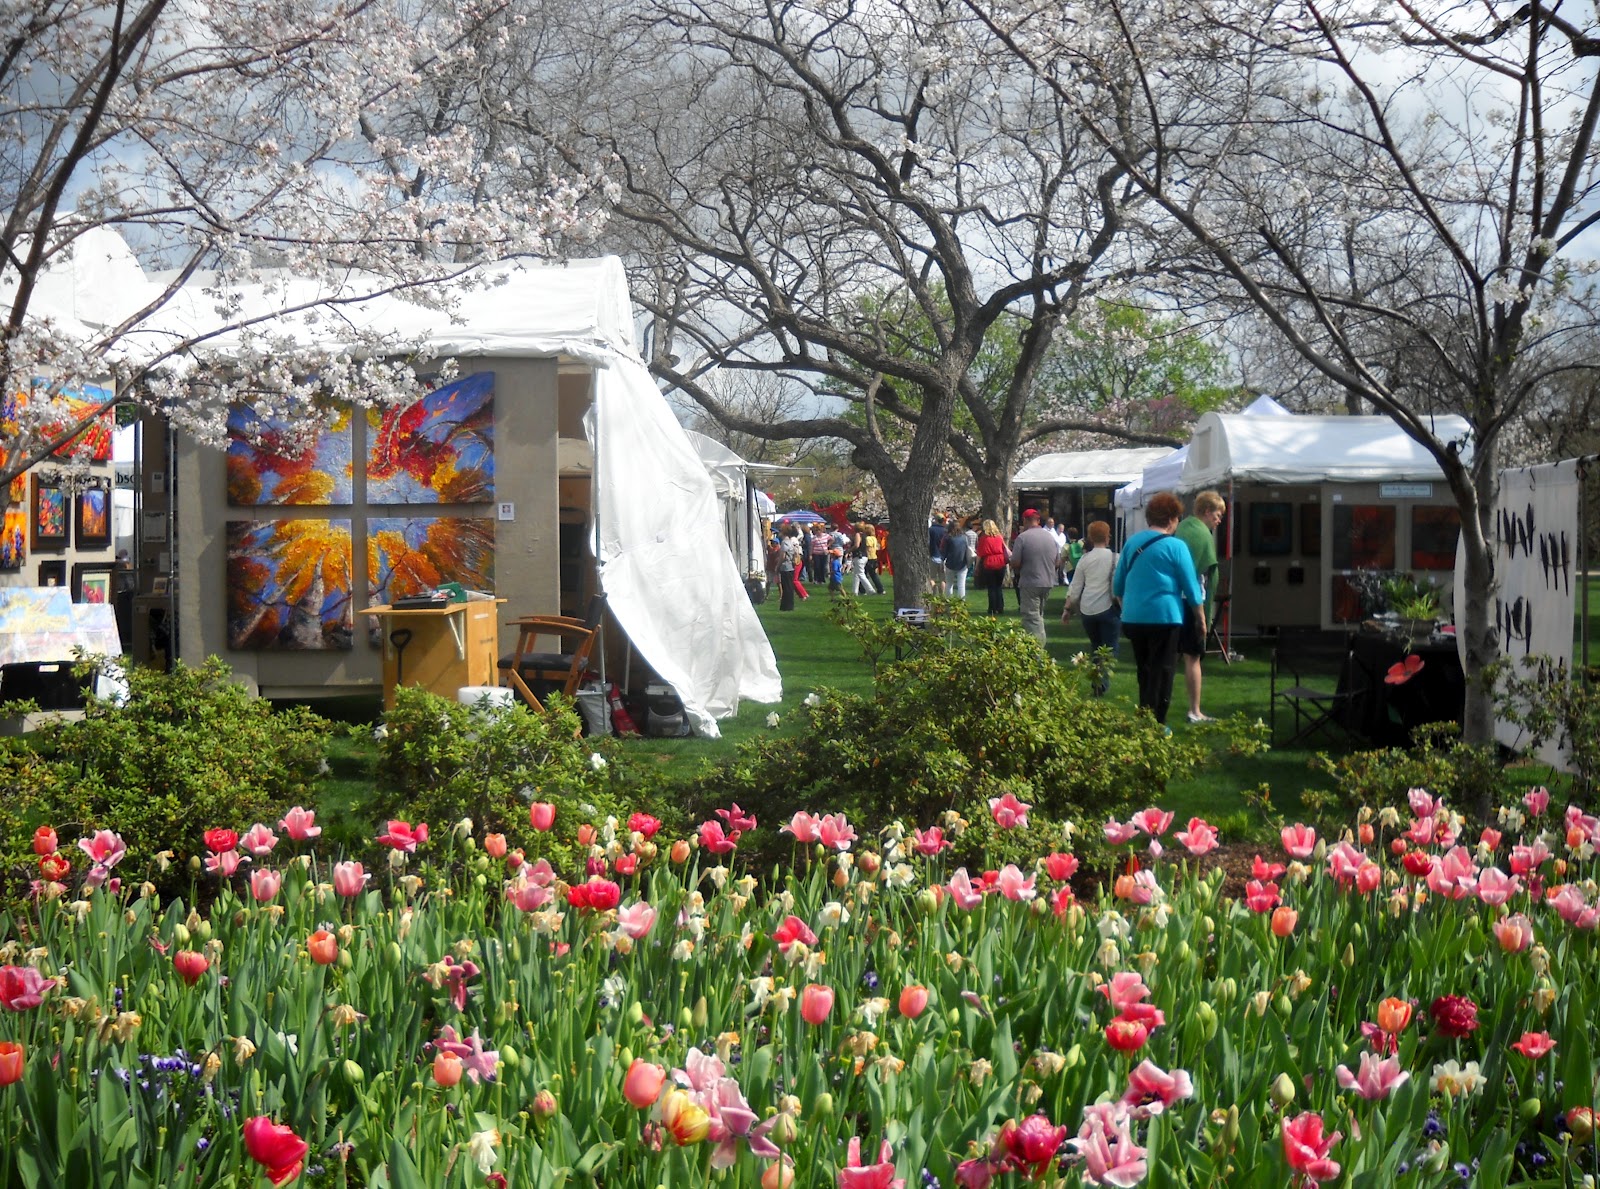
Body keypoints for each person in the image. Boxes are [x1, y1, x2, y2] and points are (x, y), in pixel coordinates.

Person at [1113, 492, 1205, 727]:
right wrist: (1200, 618)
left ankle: (1145, 715)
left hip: (1134, 618)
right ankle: (1157, 722)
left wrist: (1127, 609)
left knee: (1144, 670)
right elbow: (1191, 587)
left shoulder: (1132, 543)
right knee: (1163, 672)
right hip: (1164, 617)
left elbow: (1118, 585)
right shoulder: (1176, 546)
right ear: (1173, 519)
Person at [1174, 490, 1227, 723]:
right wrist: (1202, 615)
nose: (1219, 519)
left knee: (1178, 656)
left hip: (1177, 601)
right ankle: (1195, 711)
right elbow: (1195, 575)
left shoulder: (1184, 528)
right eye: (1217, 514)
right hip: (1191, 602)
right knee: (1193, 656)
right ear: (1206, 511)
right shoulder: (1200, 534)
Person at [1061, 520, 1119, 694]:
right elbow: (1118, 587)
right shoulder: (1116, 558)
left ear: (1091, 539)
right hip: (1109, 608)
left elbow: (1075, 588)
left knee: (1096, 646)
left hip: (1088, 609)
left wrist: (1067, 609)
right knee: (1109, 649)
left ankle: (1097, 680)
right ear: (1108, 537)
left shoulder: (1085, 559)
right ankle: (1101, 682)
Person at [1010, 508, 1060, 645]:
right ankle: (1035, 647)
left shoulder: (1023, 538)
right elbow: (1057, 562)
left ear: (1025, 520)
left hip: (1030, 582)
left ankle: (1037, 652)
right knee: (1039, 615)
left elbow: (1015, 562)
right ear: (1038, 520)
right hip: (1047, 582)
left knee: (1031, 618)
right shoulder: (1050, 537)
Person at [975, 519, 1010, 615]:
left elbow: (979, 554)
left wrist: (977, 566)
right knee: (998, 586)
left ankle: (992, 607)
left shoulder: (983, 539)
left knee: (991, 587)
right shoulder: (999, 537)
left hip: (989, 561)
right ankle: (1000, 606)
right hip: (1000, 561)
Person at [940, 517, 971, 599]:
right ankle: (961, 603)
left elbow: (944, 552)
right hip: (962, 563)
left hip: (950, 563)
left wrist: (942, 562)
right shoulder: (964, 537)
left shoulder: (948, 538)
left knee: (949, 584)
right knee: (961, 585)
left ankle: (948, 602)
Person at [778, 525, 804, 611]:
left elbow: (783, 556)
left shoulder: (784, 542)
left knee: (786, 587)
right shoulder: (790, 542)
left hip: (785, 566)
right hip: (791, 567)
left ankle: (786, 606)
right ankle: (789, 605)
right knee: (789, 586)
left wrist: (777, 566)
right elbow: (795, 552)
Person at [860, 522, 885, 594]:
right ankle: (880, 589)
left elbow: (867, 547)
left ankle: (862, 590)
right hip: (874, 557)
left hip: (868, 557)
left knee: (863, 574)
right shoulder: (874, 538)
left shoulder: (867, 539)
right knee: (873, 575)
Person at [927, 515, 948, 595]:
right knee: (943, 579)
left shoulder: (930, 530)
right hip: (943, 557)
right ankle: (942, 595)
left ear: (935, 520)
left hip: (933, 556)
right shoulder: (945, 531)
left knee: (932, 578)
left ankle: (934, 593)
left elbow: (927, 542)